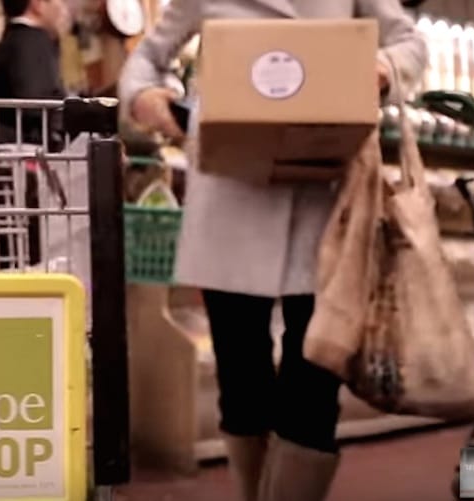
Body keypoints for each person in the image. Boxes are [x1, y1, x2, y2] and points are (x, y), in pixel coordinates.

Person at [119, 2, 426, 501]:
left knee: (314, 388)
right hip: (228, 199)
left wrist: (379, 70)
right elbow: (146, 57)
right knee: (243, 387)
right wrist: (147, 98)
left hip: (323, 208)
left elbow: (409, 42)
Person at [0, 0, 71, 150]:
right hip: (28, 151)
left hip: (4, 149)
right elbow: (35, 101)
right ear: (37, 5)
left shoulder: (11, 41)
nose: (62, 8)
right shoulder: (32, 42)